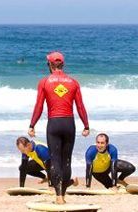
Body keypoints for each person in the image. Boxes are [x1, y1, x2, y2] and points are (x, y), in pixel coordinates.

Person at [28, 51, 89, 205]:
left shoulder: (44, 82)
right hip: (69, 124)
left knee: (55, 160)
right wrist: (86, 125)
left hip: (54, 124)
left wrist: (32, 125)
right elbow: (80, 106)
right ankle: (64, 194)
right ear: (63, 64)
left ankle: (58, 197)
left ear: (50, 64)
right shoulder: (73, 82)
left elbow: (39, 106)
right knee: (66, 161)